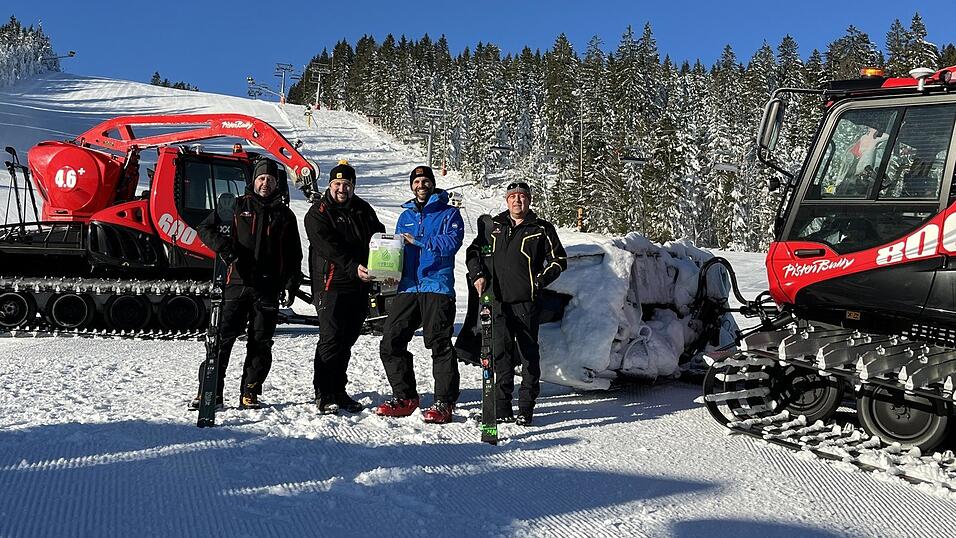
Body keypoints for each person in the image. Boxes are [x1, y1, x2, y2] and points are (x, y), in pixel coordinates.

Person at [190, 158, 302, 410]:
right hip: (237, 284)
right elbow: (205, 228)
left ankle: (250, 391)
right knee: (221, 339)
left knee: (260, 342)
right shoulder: (236, 205)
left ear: (276, 184)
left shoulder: (285, 214)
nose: (265, 183)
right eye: (262, 178)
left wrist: (291, 281)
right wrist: (224, 248)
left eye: (270, 180)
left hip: (268, 287)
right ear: (253, 181)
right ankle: (210, 391)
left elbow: (295, 253)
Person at [465, 181, 566, 426]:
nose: (517, 200)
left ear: (529, 200)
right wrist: (478, 274)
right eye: (512, 196)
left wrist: (537, 283)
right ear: (506, 200)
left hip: (526, 303)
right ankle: (502, 408)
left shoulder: (541, 229)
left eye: (522, 196)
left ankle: (525, 408)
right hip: (498, 302)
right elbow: (474, 251)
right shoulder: (495, 226)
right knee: (502, 355)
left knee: (528, 356)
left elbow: (559, 260)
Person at [376, 165, 464, 424]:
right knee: (391, 340)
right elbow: (398, 249)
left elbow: (452, 243)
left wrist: (422, 242)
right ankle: (405, 397)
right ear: (412, 186)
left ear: (433, 184)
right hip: (408, 286)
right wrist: (388, 269)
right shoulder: (406, 215)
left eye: (426, 181)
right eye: (417, 181)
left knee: (439, 342)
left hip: (436, 286)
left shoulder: (450, 213)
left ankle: (444, 402)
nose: (421, 185)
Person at [305, 160, 385, 414]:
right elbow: (328, 248)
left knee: (347, 340)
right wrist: (353, 267)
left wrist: (388, 259)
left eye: (347, 184)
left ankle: (339, 390)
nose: (342, 189)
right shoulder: (318, 212)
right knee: (330, 339)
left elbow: (379, 236)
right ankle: (323, 392)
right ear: (330, 185)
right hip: (331, 285)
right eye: (337, 184)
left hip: (359, 285)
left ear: (353, 186)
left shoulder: (363, 209)